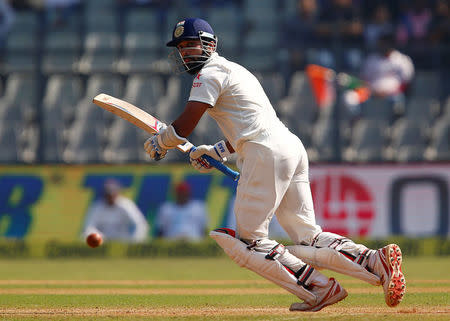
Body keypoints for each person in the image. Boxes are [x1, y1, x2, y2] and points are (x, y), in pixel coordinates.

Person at [143, 18, 406, 311]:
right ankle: (374, 261)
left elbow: (185, 125)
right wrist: (218, 151)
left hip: (264, 152)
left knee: (249, 243)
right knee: (308, 236)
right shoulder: (236, 70)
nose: (185, 53)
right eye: (180, 47)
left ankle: (318, 288)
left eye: (190, 45)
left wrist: (162, 142)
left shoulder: (209, 74)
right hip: (287, 146)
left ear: (210, 44)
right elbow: (251, 124)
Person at [342, 31, 415, 117]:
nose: (382, 46)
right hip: (371, 93)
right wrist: (372, 91)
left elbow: (406, 82)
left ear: (391, 44)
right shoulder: (371, 59)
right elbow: (364, 80)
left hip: (393, 94)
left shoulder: (402, 60)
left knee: (398, 102)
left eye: (385, 43)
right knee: (349, 97)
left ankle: (395, 123)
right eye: (381, 44)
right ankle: (358, 118)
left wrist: (389, 92)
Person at [82, 179, 149, 243]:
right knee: (84, 236)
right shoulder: (97, 207)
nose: (110, 197)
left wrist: (135, 241)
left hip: (122, 243)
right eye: (108, 194)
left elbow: (141, 224)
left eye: (112, 193)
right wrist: (98, 239)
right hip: (103, 244)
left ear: (117, 192)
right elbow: (89, 227)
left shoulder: (126, 205)